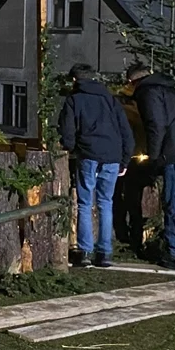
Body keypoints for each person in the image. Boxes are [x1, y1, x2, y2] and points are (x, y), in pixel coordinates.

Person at [127, 63, 175, 271]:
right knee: (171, 202)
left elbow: (156, 125)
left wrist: (153, 157)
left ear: (133, 82)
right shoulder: (173, 92)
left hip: (174, 154)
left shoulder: (148, 92)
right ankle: (173, 252)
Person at [58, 64, 134, 268]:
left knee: (84, 202)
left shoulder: (74, 100)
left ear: (75, 80)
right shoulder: (110, 100)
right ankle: (105, 253)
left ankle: (84, 251)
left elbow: (68, 129)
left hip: (88, 154)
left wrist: (70, 147)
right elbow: (125, 130)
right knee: (105, 202)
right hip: (112, 156)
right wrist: (125, 159)